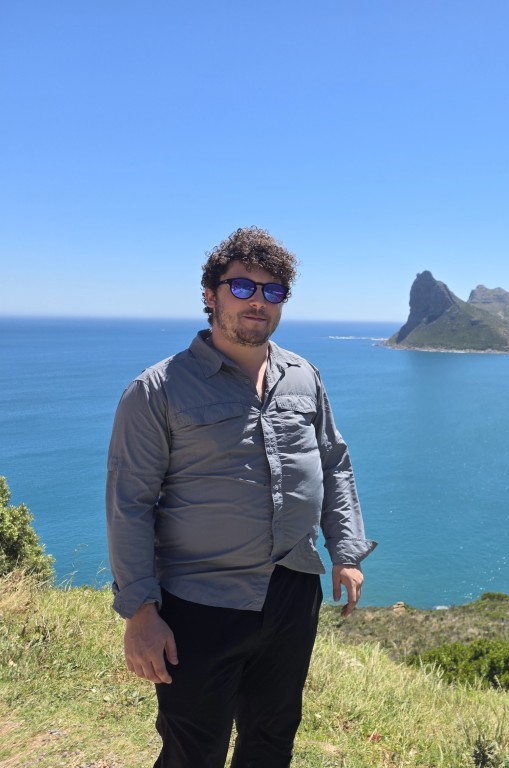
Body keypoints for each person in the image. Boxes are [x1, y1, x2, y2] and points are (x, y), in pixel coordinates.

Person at [106, 226, 376, 767]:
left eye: (273, 291)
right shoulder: (157, 390)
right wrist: (140, 611)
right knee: (193, 751)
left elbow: (333, 464)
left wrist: (345, 552)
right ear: (211, 294)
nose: (259, 301)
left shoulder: (303, 376)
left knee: (272, 739)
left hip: (293, 590)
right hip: (199, 602)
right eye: (243, 286)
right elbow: (129, 503)